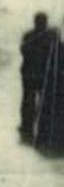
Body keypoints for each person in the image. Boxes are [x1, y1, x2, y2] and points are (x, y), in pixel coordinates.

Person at [20, 13, 60, 145]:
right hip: (30, 73)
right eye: (39, 22)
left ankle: (43, 128)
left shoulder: (51, 36)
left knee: (45, 102)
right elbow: (24, 49)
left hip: (45, 74)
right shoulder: (29, 35)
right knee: (28, 101)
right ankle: (26, 126)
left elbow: (58, 50)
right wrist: (42, 36)